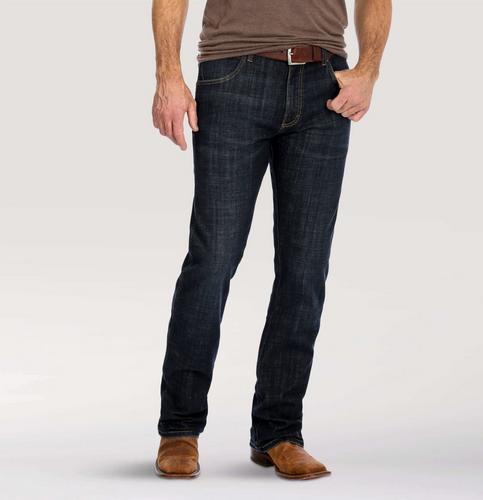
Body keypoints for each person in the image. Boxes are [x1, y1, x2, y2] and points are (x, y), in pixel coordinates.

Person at [152, 0, 391, 480]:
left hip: (324, 83)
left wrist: (368, 70)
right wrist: (168, 76)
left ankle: (279, 431)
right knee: (213, 259)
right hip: (233, 75)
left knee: (306, 269)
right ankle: (180, 428)